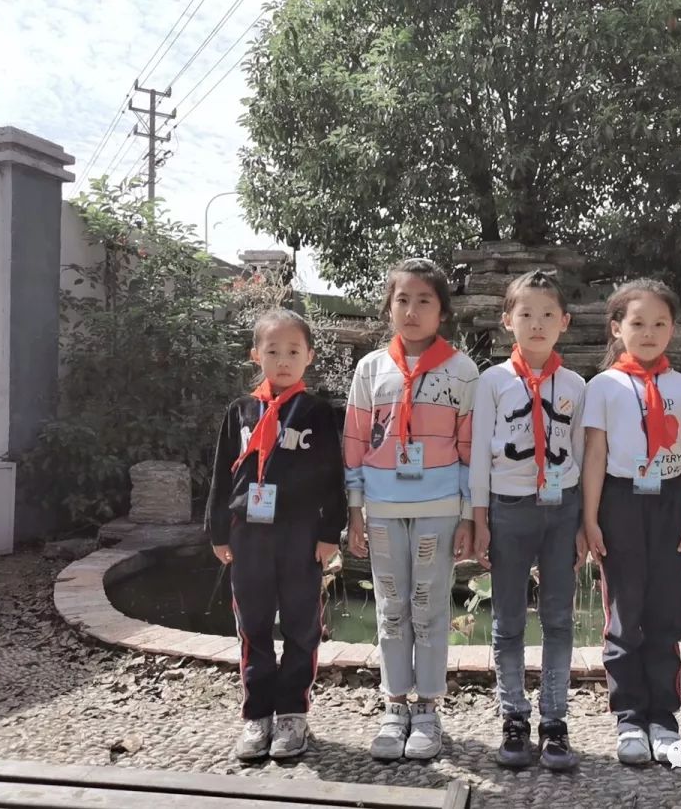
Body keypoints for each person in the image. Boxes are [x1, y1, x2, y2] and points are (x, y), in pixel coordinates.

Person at [343, 258, 478, 761]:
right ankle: (394, 704)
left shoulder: (463, 371)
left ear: (442, 311)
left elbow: (469, 447)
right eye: (402, 299)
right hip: (380, 507)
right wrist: (354, 509)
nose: (412, 309)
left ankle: (428, 708)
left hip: (439, 507)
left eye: (425, 300)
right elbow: (355, 440)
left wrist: (467, 514)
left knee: (429, 605)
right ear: (388, 307)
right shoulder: (370, 369)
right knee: (391, 606)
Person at [205, 308, 346, 761]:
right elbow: (221, 477)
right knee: (254, 624)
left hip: (300, 534)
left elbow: (333, 477)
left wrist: (330, 532)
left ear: (309, 356)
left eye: (292, 351)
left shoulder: (318, 413)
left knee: (303, 624)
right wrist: (217, 531)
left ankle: (292, 715)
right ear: (255, 355)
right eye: (272, 351)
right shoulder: (240, 412)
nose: (282, 360)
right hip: (249, 534)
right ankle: (257, 715)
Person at [581, 278, 681, 766]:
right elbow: (595, 455)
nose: (648, 332)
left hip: (671, 501)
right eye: (637, 323)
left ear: (672, 329)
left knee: (667, 613)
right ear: (617, 328)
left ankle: (664, 719)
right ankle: (629, 716)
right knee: (625, 614)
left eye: (659, 323)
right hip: (621, 502)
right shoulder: (604, 386)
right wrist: (590, 518)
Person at [469, 270, 586, 771]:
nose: (536, 324)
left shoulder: (577, 385)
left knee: (559, 619)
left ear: (564, 322)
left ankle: (554, 719)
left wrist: (584, 523)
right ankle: (513, 716)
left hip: (563, 512)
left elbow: (581, 453)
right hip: (509, 509)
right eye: (525, 314)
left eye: (546, 315)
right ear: (506, 321)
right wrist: (479, 517)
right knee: (508, 621)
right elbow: (478, 455)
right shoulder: (492, 381)